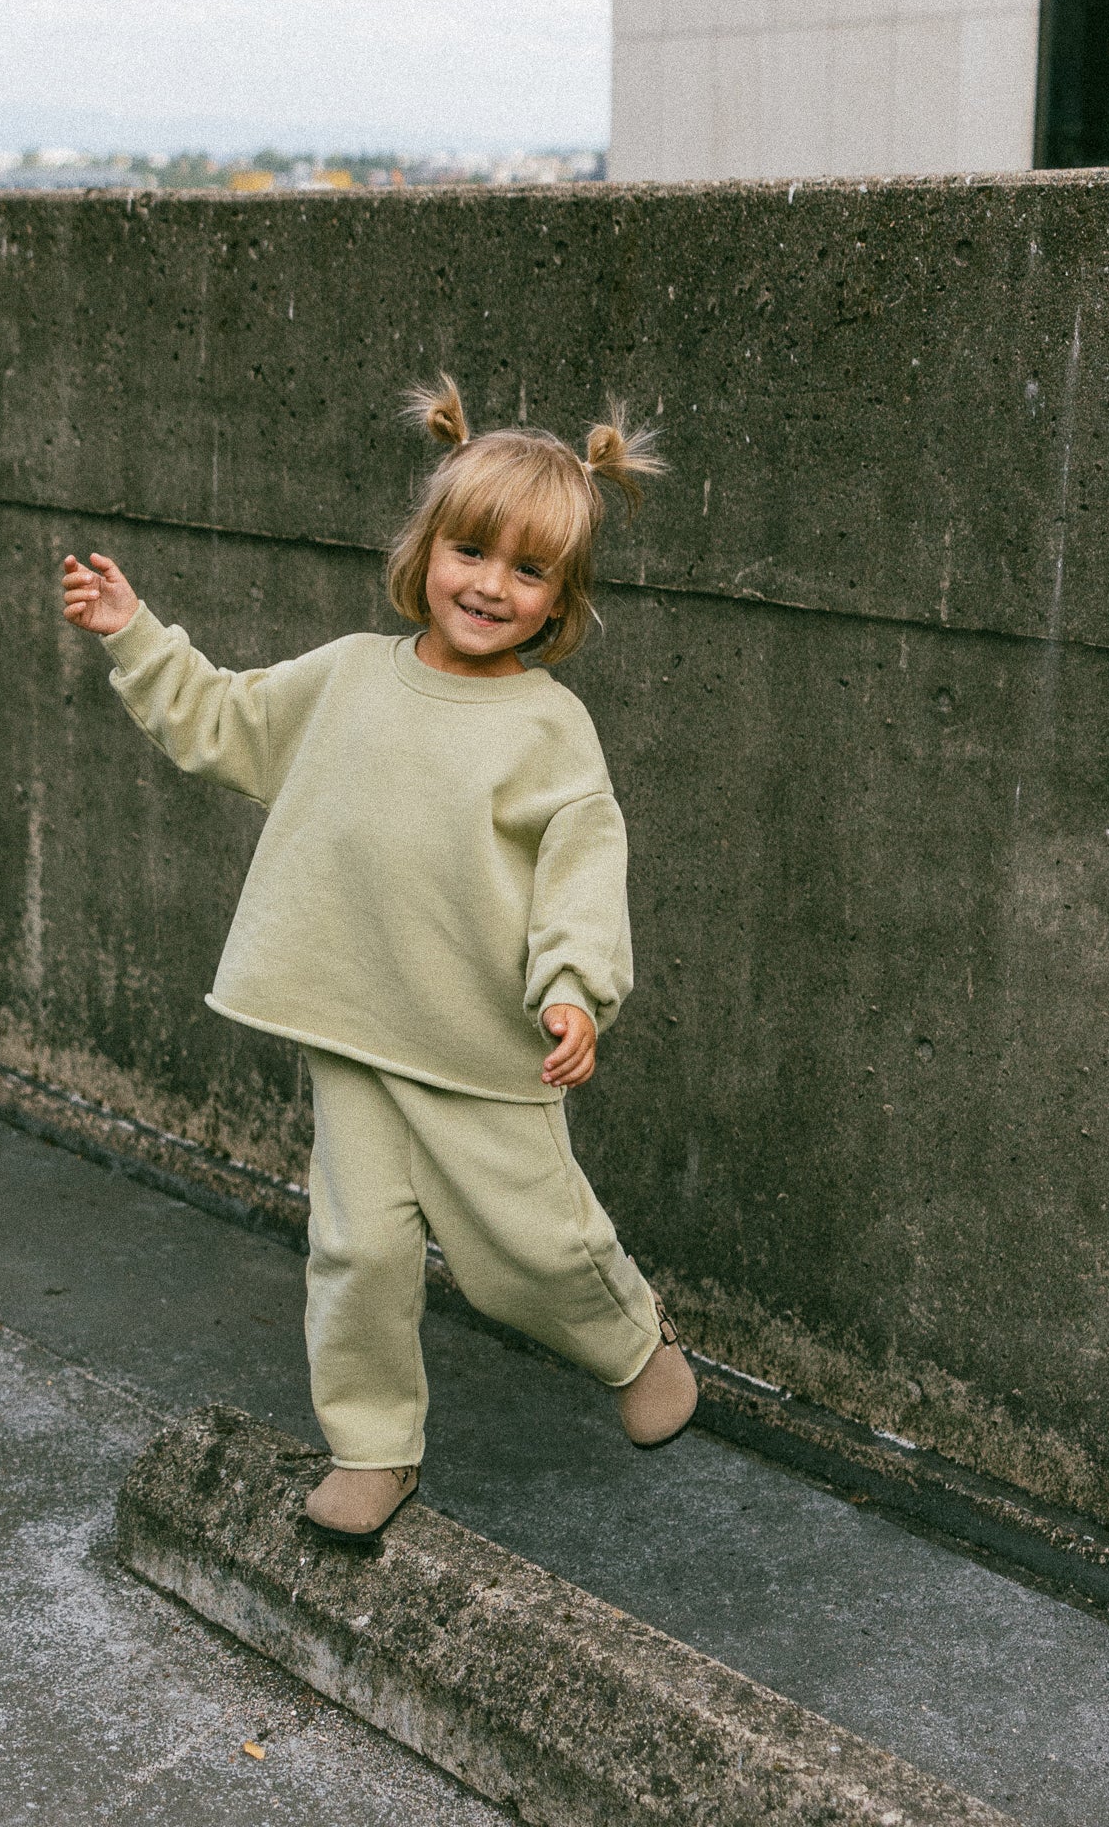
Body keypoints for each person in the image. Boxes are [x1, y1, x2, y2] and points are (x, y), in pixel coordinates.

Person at [61, 376, 697, 1536]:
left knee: (527, 1251)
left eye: (528, 570)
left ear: (560, 598)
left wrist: (572, 987)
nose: (489, 585)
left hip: (479, 1037)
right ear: (424, 550)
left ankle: (630, 1339)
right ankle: (371, 1446)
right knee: (354, 1250)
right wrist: (133, 633)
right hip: (350, 1017)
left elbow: (581, 860)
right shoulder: (349, 673)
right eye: (469, 550)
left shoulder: (547, 725)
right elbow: (224, 720)